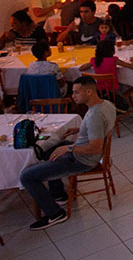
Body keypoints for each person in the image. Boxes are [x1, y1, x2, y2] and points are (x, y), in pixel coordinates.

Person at [19, 75, 117, 230]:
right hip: (83, 152)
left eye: (77, 92)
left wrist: (69, 148)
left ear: (89, 92)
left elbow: (95, 148)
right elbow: (99, 129)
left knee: (27, 176)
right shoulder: (106, 104)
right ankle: (58, 193)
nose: (73, 96)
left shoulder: (94, 116)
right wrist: (79, 129)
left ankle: (55, 213)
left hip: (82, 160)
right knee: (48, 150)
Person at [80, 38, 133, 107]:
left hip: (100, 90)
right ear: (112, 51)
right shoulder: (114, 60)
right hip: (114, 90)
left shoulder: (94, 60)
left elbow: (81, 68)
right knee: (132, 83)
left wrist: (90, 65)